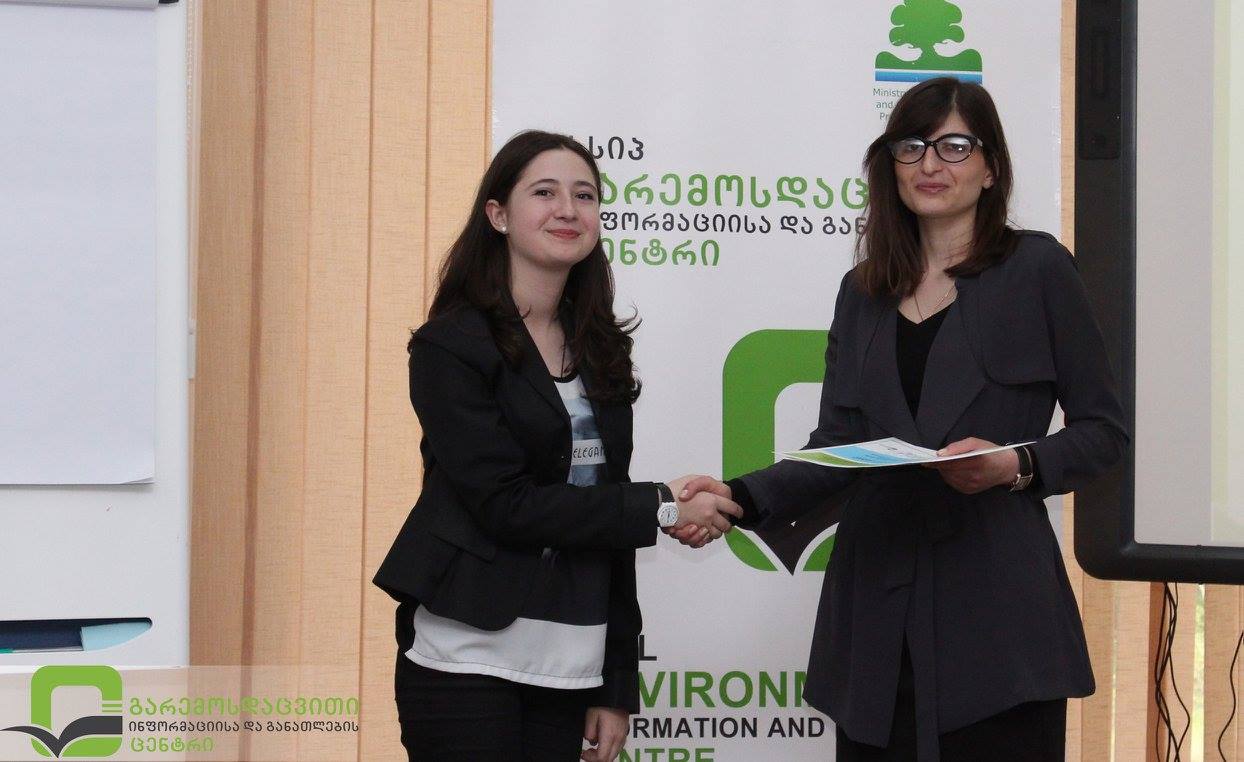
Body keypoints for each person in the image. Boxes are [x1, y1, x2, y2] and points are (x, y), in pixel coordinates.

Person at [674, 78, 1129, 761]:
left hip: (998, 616)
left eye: (955, 146)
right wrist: (736, 496)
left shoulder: (1038, 269)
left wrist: (1016, 464)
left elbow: (1104, 433)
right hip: (876, 610)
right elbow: (837, 446)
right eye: (911, 146)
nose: (930, 164)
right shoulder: (862, 291)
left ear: (991, 167)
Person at [373, 130, 742, 762]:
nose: (568, 210)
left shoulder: (600, 348)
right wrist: (660, 505)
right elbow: (505, 505)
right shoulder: (450, 347)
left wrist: (615, 684)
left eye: (585, 195)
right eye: (544, 193)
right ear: (498, 215)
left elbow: (607, 519)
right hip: (466, 660)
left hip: (570, 666)